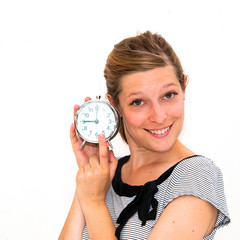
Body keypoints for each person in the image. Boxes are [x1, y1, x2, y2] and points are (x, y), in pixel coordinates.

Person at [59, 31, 230, 240]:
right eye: (138, 102)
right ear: (115, 106)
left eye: (169, 95)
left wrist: (94, 202)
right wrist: (89, 170)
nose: (158, 116)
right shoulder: (103, 178)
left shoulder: (196, 176)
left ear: (184, 87)